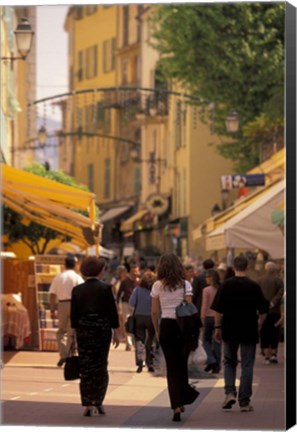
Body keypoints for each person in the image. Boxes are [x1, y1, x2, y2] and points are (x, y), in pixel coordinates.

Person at [211, 255, 269, 412]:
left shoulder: (226, 285)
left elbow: (217, 310)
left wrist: (217, 328)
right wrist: (259, 324)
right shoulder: (254, 286)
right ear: (247, 267)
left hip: (229, 329)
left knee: (229, 362)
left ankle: (229, 392)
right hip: (249, 329)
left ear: (234, 267)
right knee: (247, 364)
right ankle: (244, 401)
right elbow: (264, 310)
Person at [151, 253, 199, 422]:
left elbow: (155, 312)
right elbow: (189, 308)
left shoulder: (157, 285)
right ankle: (183, 397)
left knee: (171, 368)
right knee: (182, 364)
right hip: (182, 328)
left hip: (166, 326)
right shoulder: (185, 285)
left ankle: (176, 406)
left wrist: (157, 330)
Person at [70, 256, 120, 417]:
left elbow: (74, 315)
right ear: (100, 271)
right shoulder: (106, 288)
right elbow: (112, 312)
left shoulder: (77, 290)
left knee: (86, 367)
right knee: (100, 366)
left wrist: (73, 334)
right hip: (101, 330)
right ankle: (98, 401)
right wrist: (117, 332)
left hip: (83, 331)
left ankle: (88, 403)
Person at [49, 256, 84, 367]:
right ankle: (69, 356)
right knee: (72, 332)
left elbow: (52, 294)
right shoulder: (77, 277)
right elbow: (82, 293)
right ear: (74, 265)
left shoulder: (59, 277)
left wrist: (52, 309)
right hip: (74, 305)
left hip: (62, 304)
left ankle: (63, 354)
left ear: (64, 265)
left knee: (61, 331)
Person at [129, 270, 156, 373]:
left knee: (139, 339)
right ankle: (150, 363)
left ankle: (140, 362)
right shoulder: (154, 291)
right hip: (151, 317)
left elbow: (131, 303)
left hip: (139, 317)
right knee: (151, 339)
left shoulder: (137, 290)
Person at [257, 261, 284, 364]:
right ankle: (273, 354)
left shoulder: (259, 280)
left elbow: (257, 294)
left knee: (264, 332)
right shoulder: (279, 280)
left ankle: (266, 355)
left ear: (265, 269)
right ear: (274, 269)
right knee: (274, 332)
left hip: (263, 311)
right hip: (275, 310)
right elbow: (280, 293)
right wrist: (273, 303)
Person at [201, 269, 221, 373]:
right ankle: (217, 364)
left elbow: (204, 305)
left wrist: (202, 317)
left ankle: (211, 359)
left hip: (208, 317)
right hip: (218, 317)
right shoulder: (220, 289)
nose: (206, 279)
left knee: (206, 340)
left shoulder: (206, 290)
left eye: (207, 277)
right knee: (217, 341)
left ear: (211, 278)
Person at [116, 263, 140, 351]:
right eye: (133, 271)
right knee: (127, 323)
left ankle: (134, 342)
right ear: (130, 272)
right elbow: (118, 294)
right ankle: (128, 343)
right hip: (126, 304)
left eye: (137, 271)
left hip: (137, 305)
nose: (135, 273)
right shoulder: (125, 282)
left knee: (136, 323)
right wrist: (118, 305)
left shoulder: (140, 282)